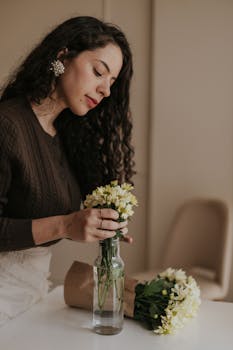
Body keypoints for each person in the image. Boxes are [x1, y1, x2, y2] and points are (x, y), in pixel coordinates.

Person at [0, 16, 135, 325]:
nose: (105, 91)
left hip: (33, 297)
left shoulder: (64, 136)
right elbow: (58, 223)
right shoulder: (7, 125)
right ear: (62, 57)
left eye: (112, 83)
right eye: (99, 72)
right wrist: (65, 225)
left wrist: (102, 221)